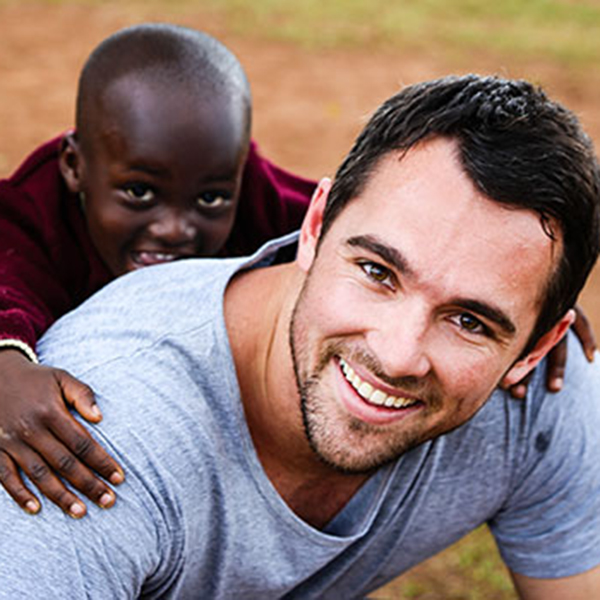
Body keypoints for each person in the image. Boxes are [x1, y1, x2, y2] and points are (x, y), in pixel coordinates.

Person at [1, 74, 599, 598]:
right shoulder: (80, 444)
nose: (396, 354)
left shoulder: (541, 393)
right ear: (313, 227)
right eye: (376, 272)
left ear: (535, 349)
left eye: (470, 321)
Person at [0, 23, 316, 518]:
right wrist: (6, 364)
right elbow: (6, 285)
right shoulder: (30, 214)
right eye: (140, 193)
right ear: (74, 164)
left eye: (211, 198)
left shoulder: (253, 193)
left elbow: (334, 220)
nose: (174, 229)